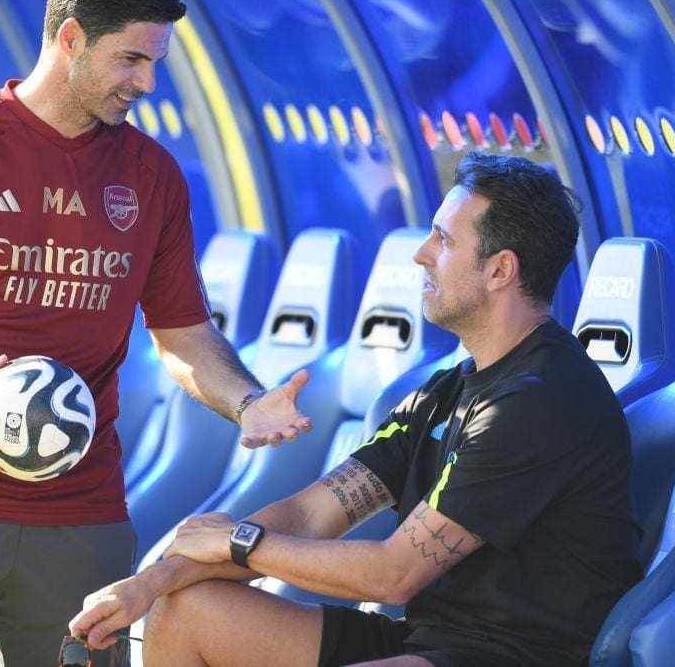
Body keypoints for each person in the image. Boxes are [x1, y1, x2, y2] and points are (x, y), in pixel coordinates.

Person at [0, 0, 311, 667]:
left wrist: (247, 402)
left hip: (81, 512)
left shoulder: (154, 177)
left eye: (157, 62)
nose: (148, 83)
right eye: (132, 59)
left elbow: (183, 333)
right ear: (70, 39)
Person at [70, 153, 644, 667]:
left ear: (500, 270)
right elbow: (310, 516)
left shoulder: (542, 398)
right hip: (432, 639)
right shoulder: (447, 390)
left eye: (443, 240)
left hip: (517, 655)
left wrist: (238, 540)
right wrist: (151, 581)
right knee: (182, 609)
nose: (422, 254)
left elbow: (395, 575)